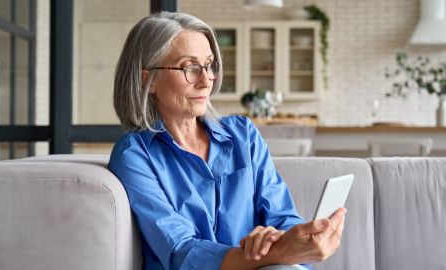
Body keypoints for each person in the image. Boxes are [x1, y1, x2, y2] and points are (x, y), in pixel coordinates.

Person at [108, 11, 346, 270]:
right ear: (149, 80)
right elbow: (180, 251)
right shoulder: (135, 155)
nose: (206, 80)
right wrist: (275, 253)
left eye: (209, 65)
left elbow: (282, 216)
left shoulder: (243, 134)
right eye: (190, 67)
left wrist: (284, 240)